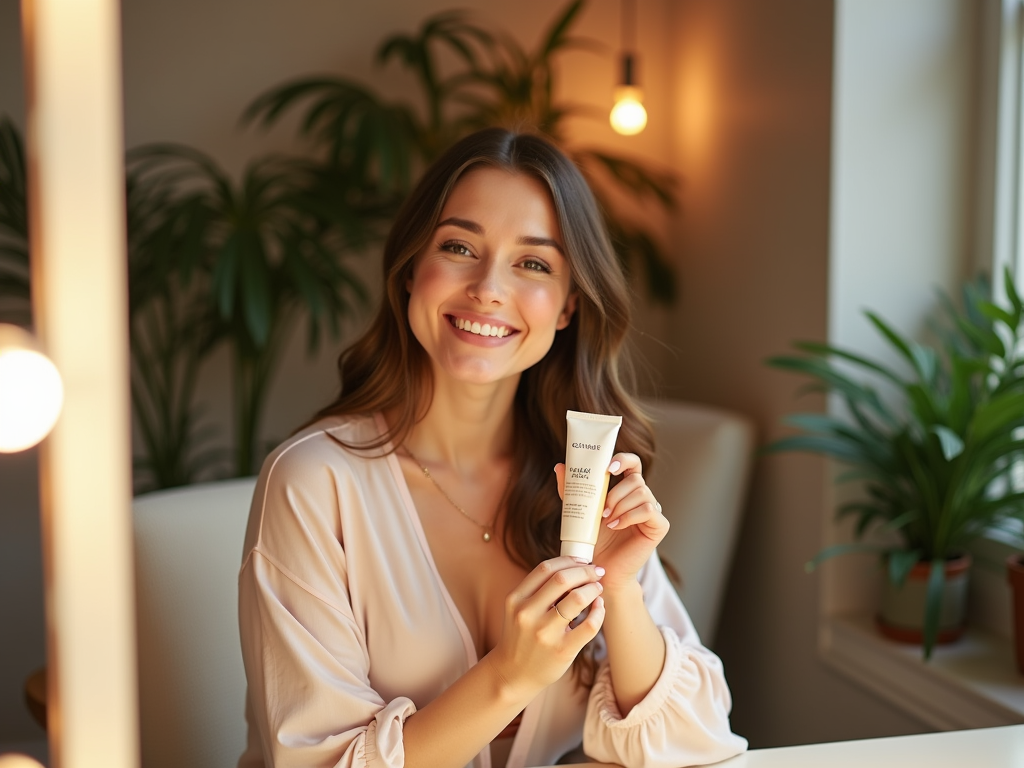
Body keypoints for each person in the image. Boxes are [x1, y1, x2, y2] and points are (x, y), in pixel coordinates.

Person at [237, 127, 747, 768]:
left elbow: (699, 739)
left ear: (567, 306)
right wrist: (511, 674)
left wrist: (619, 589)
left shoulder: (581, 479)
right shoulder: (314, 482)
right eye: (457, 247)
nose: (488, 287)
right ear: (410, 273)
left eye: (533, 262)